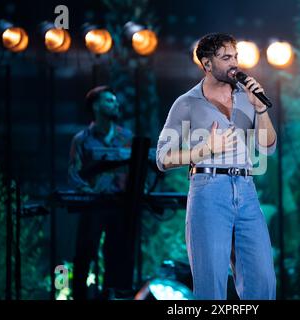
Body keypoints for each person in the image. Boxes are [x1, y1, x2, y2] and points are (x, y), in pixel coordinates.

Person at [156, 33, 277, 300]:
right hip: (209, 190)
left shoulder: (247, 98)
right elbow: (162, 158)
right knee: (211, 283)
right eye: (226, 58)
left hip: (246, 190)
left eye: (235, 56)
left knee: (263, 281)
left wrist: (260, 109)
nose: (234, 63)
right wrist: (205, 149)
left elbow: (268, 146)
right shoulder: (186, 103)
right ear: (207, 64)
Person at [68, 85, 134, 300]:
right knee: (85, 254)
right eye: (109, 100)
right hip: (93, 206)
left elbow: (137, 171)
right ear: (96, 106)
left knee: (117, 256)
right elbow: (73, 173)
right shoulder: (82, 139)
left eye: (115, 100)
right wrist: (88, 191)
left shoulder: (127, 137)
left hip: (119, 206)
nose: (115, 104)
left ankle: (112, 296)